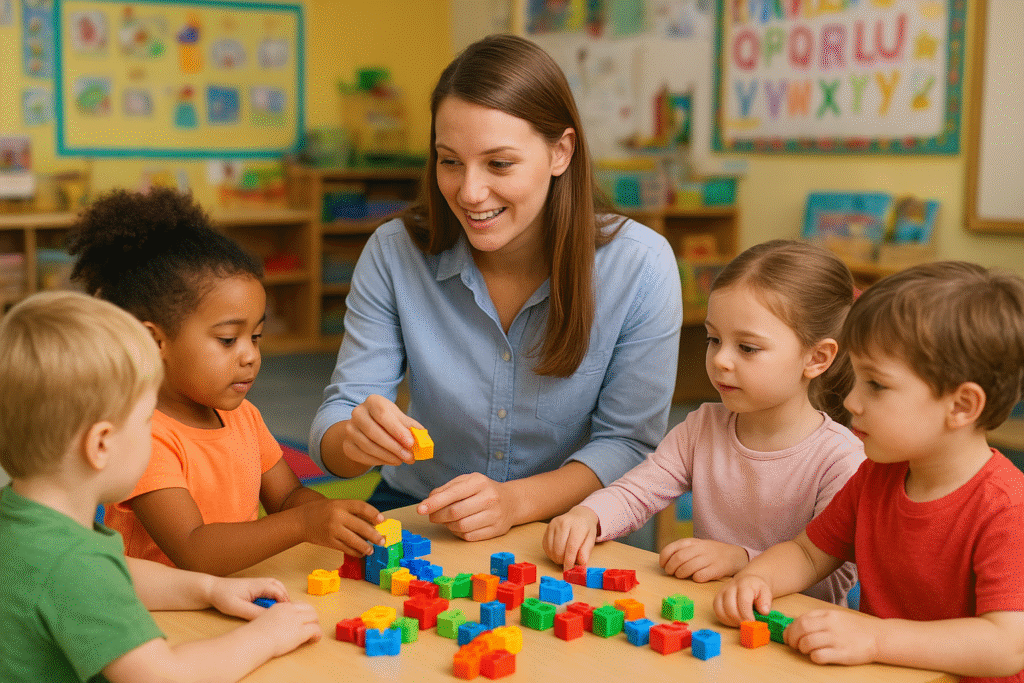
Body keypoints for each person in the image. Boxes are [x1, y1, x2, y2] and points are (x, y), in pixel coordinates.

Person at [310, 33, 683, 541]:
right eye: (449, 161)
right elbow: (339, 414)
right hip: (423, 505)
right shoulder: (394, 252)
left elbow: (629, 445)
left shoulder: (639, 266)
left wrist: (515, 502)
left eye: (499, 163)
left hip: (569, 518)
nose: (469, 192)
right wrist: (353, 438)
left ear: (561, 152)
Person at [714, 261, 1024, 682]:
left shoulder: (1007, 508)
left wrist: (878, 639)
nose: (853, 401)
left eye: (876, 385)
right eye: (857, 378)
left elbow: (1006, 646)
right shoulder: (876, 476)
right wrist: (757, 577)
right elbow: (808, 553)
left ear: (962, 406)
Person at [0, 291, 322, 682]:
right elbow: (164, 677)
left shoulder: (23, 517)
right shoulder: (74, 563)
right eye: (147, 420)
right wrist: (266, 637)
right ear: (101, 445)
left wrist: (207, 589)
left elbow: (118, 572)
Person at [68, 187, 385, 576]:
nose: (250, 354)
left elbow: (286, 497)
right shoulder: (146, 436)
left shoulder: (244, 418)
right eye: (227, 340)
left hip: (234, 590)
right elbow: (194, 549)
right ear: (156, 341)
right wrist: (304, 525)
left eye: (255, 336)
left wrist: (331, 514)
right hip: (164, 614)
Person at [544, 240, 864, 606]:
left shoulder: (842, 460)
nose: (721, 360)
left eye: (747, 348)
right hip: (709, 622)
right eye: (714, 339)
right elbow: (638, 492)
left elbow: (823, 575)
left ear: (817, 357)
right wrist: (588, 515)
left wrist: (738, 560)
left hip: (791, 639)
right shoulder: (702, 427)